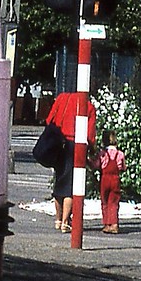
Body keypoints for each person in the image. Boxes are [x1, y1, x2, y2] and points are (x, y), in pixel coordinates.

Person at [44, 91, 95, 234]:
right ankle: (66, 222)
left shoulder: (62, 99)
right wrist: (91, 150)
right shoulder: (88, 107)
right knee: (70, 186)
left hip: (58, 143)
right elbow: (90, 135)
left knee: (59, 181)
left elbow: (49, 119)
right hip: (76, 146)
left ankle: (58, 219)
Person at [97, 130, 126, 234]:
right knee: (114, 202)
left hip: (105, 178)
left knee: (105, 202)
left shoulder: (103, 154)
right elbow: (123, 167)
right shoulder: (120, 154)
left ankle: (107, 224)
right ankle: (114, 224)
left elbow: (97, 165)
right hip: (115, 179)